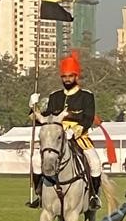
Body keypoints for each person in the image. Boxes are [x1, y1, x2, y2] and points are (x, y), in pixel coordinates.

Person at [27, 53, 102, 210]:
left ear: (76, 76)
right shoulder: (55, 96)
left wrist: (75, 131)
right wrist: (32, 106)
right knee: (36, 160)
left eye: (70, 76)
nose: (67, 79)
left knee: (95, 162)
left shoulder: (86, 96)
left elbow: (88, 118)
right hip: (55, 137)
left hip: (78, 135)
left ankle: (94, 196)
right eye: (64, 76)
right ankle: (39, 194)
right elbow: (43, 117)